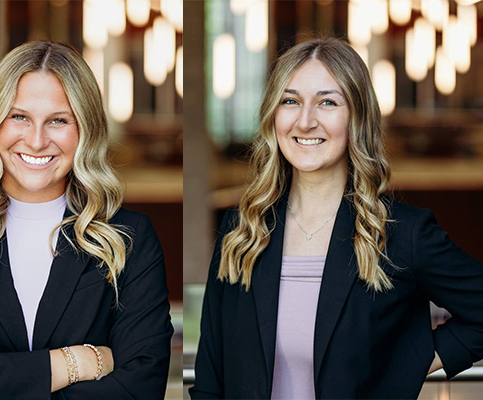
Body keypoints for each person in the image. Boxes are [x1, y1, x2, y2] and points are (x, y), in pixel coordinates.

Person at [191, 38, 483, 399]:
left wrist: (411, 361)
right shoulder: (242, 230)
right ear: (273, 115)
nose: (305, 120)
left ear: (357, 117)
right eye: (290, 101)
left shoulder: (402, 234)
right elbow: (209, 381)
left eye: (327, 102)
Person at [0, 40, 172, 399]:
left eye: (58, 120)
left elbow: (140, 390)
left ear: (84, 129)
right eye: (19, 116)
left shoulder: (129, 238)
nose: (37, 141)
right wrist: (77, 362)